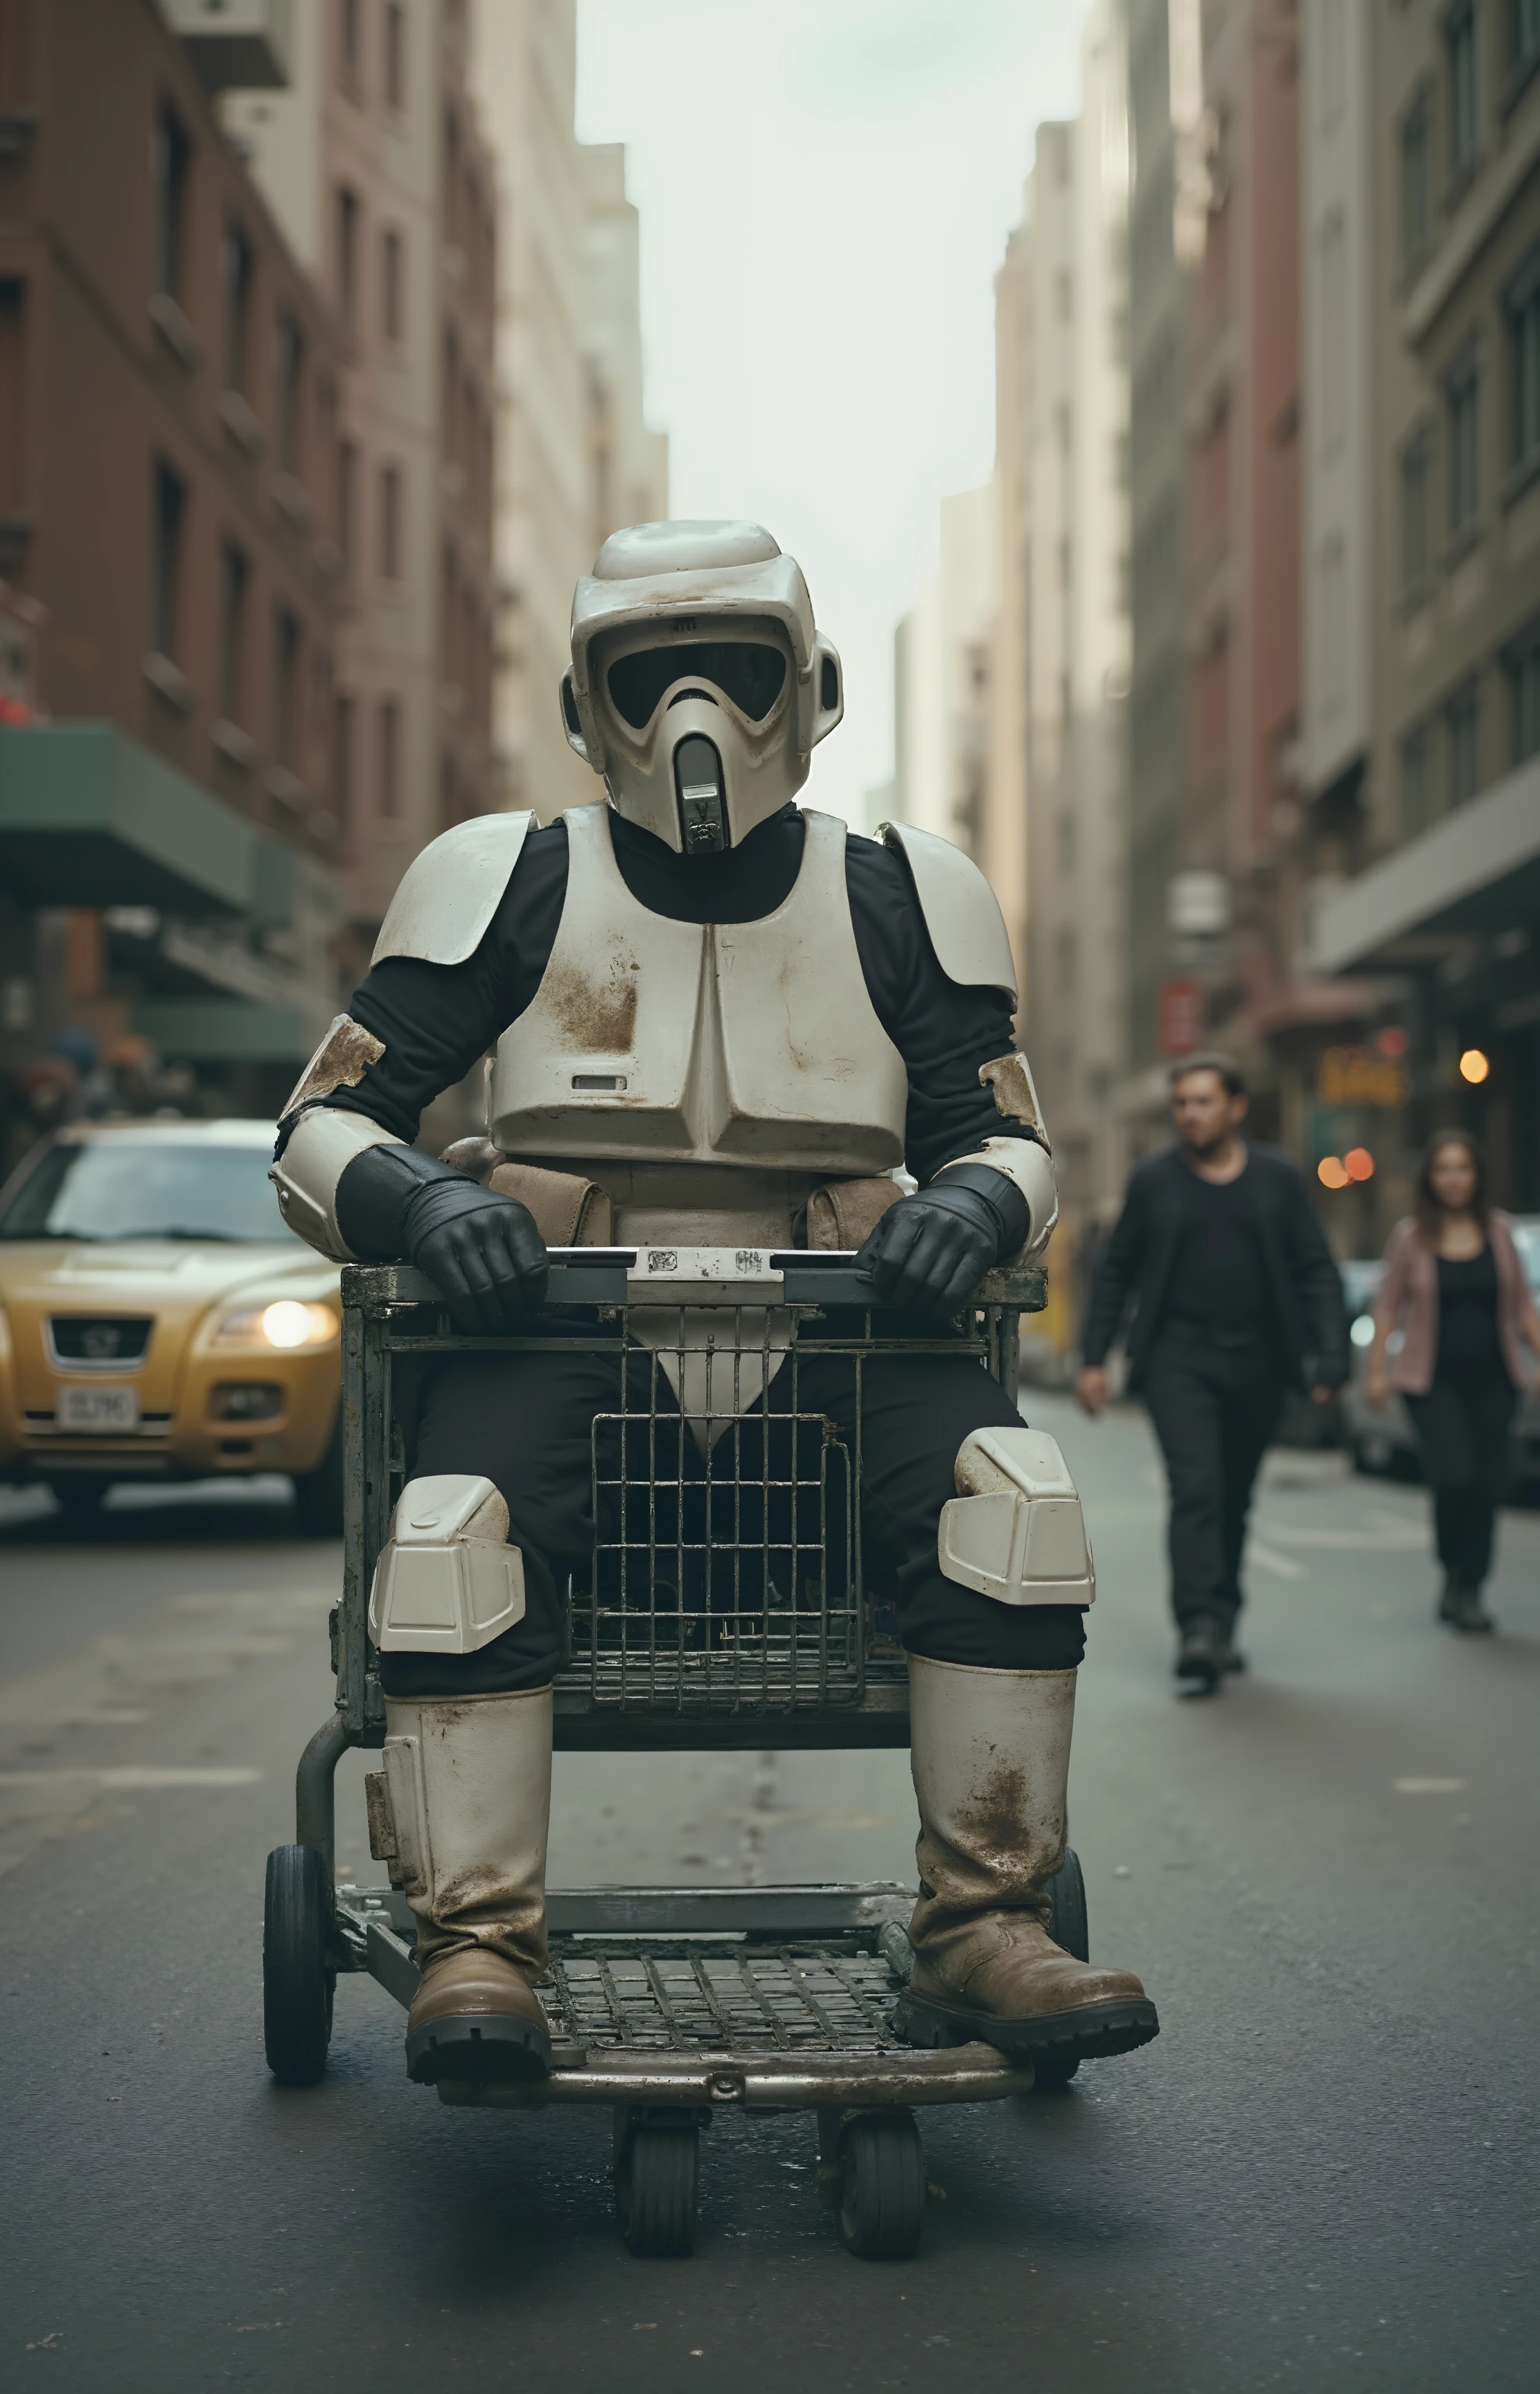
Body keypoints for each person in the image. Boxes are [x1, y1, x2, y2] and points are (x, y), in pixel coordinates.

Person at [272, 520, 1158, 2093]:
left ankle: (986, 1915)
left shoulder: (903, 893)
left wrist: (967, 1201)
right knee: (450, 1527)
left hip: (844, 1335)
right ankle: (477, 1937)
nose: (696, 715)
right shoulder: (506, 877)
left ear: (806, 691)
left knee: (1010, 1501)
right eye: (650, 675)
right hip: (551, 1328)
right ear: (584, 701)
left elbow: (1012, 1137)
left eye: (736, 673)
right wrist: (427, 1200)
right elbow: (323, 1121)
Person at [1075, 1052, 1346, 1692]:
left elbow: (1315, 1269)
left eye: (1203, 1102)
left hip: (1259, 1358)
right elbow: (1115, 1271)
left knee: (1234, 1495)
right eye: (1182, 1104)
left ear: (1236, 1108)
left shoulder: (1277, 1179)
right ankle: (1197, 1626)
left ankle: (1222, 1620)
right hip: (1178, 1359)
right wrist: (1092, 1359)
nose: (1190, 1114)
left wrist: (1331, 1356)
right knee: (1196, 1488)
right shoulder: (1154, 1180)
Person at [1367, 1130, 1540, 1633]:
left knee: (1488, 1484)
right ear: (1430, 1179)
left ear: (1477, 1176)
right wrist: (1377, 1372)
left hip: (1495, 1380)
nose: (1454, 1179)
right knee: (1455, 1476)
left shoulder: (1500, 1232)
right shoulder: (1411, 1237)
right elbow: (1387, 1307)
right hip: (1431, 1382)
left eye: (1463, 1168)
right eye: (1443, 1169)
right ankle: (1451, 1571)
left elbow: (1522, 1305)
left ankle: (1472, 1586)